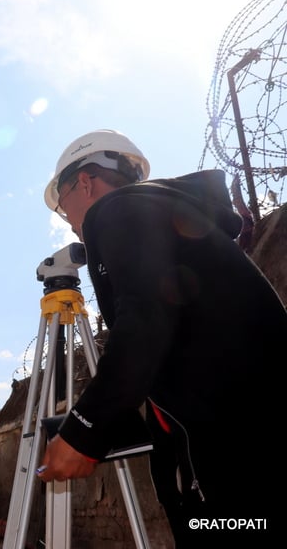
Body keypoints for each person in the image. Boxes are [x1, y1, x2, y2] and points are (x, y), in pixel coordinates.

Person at [37, 129, 284, 546]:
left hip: (239, 455)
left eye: (65, 208)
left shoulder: (116, 208)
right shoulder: (167, 218)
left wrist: (83, 431)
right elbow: (176, 335)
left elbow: (144, 322)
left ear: (85, 182)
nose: (72, 224)